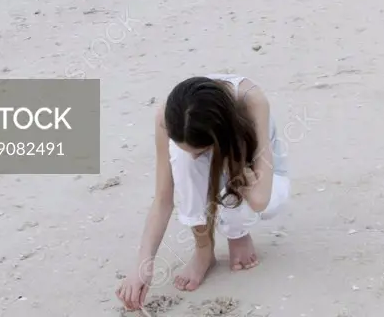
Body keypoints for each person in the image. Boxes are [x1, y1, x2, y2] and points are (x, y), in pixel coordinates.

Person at [116, 74, 290, 311]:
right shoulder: (169, 116)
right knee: (183, 159)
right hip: (219, 162)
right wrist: (142, 266)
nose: (197, 157)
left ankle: (237, 233)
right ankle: (203, 250)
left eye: (201, 151)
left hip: (262, 179)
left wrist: (232, 160)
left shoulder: (252, 101)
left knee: (242, 209)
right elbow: (163, 199)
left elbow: (261, 200)